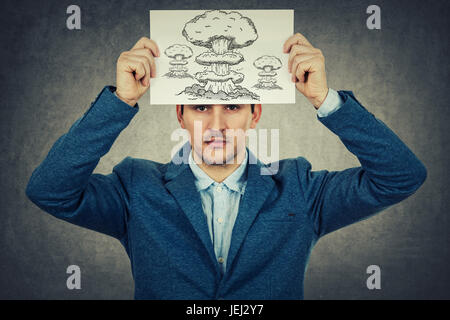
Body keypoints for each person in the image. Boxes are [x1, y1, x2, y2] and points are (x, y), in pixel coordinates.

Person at [25, 33, 427, 299]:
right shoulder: (136, 187)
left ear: (255, 115)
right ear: (180, 116)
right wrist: (120, 102)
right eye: (201, 107)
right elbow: (50, 191)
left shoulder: (300, 188)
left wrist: (326, 99)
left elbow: (400, 176)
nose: (216, 125)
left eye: (233, 106)